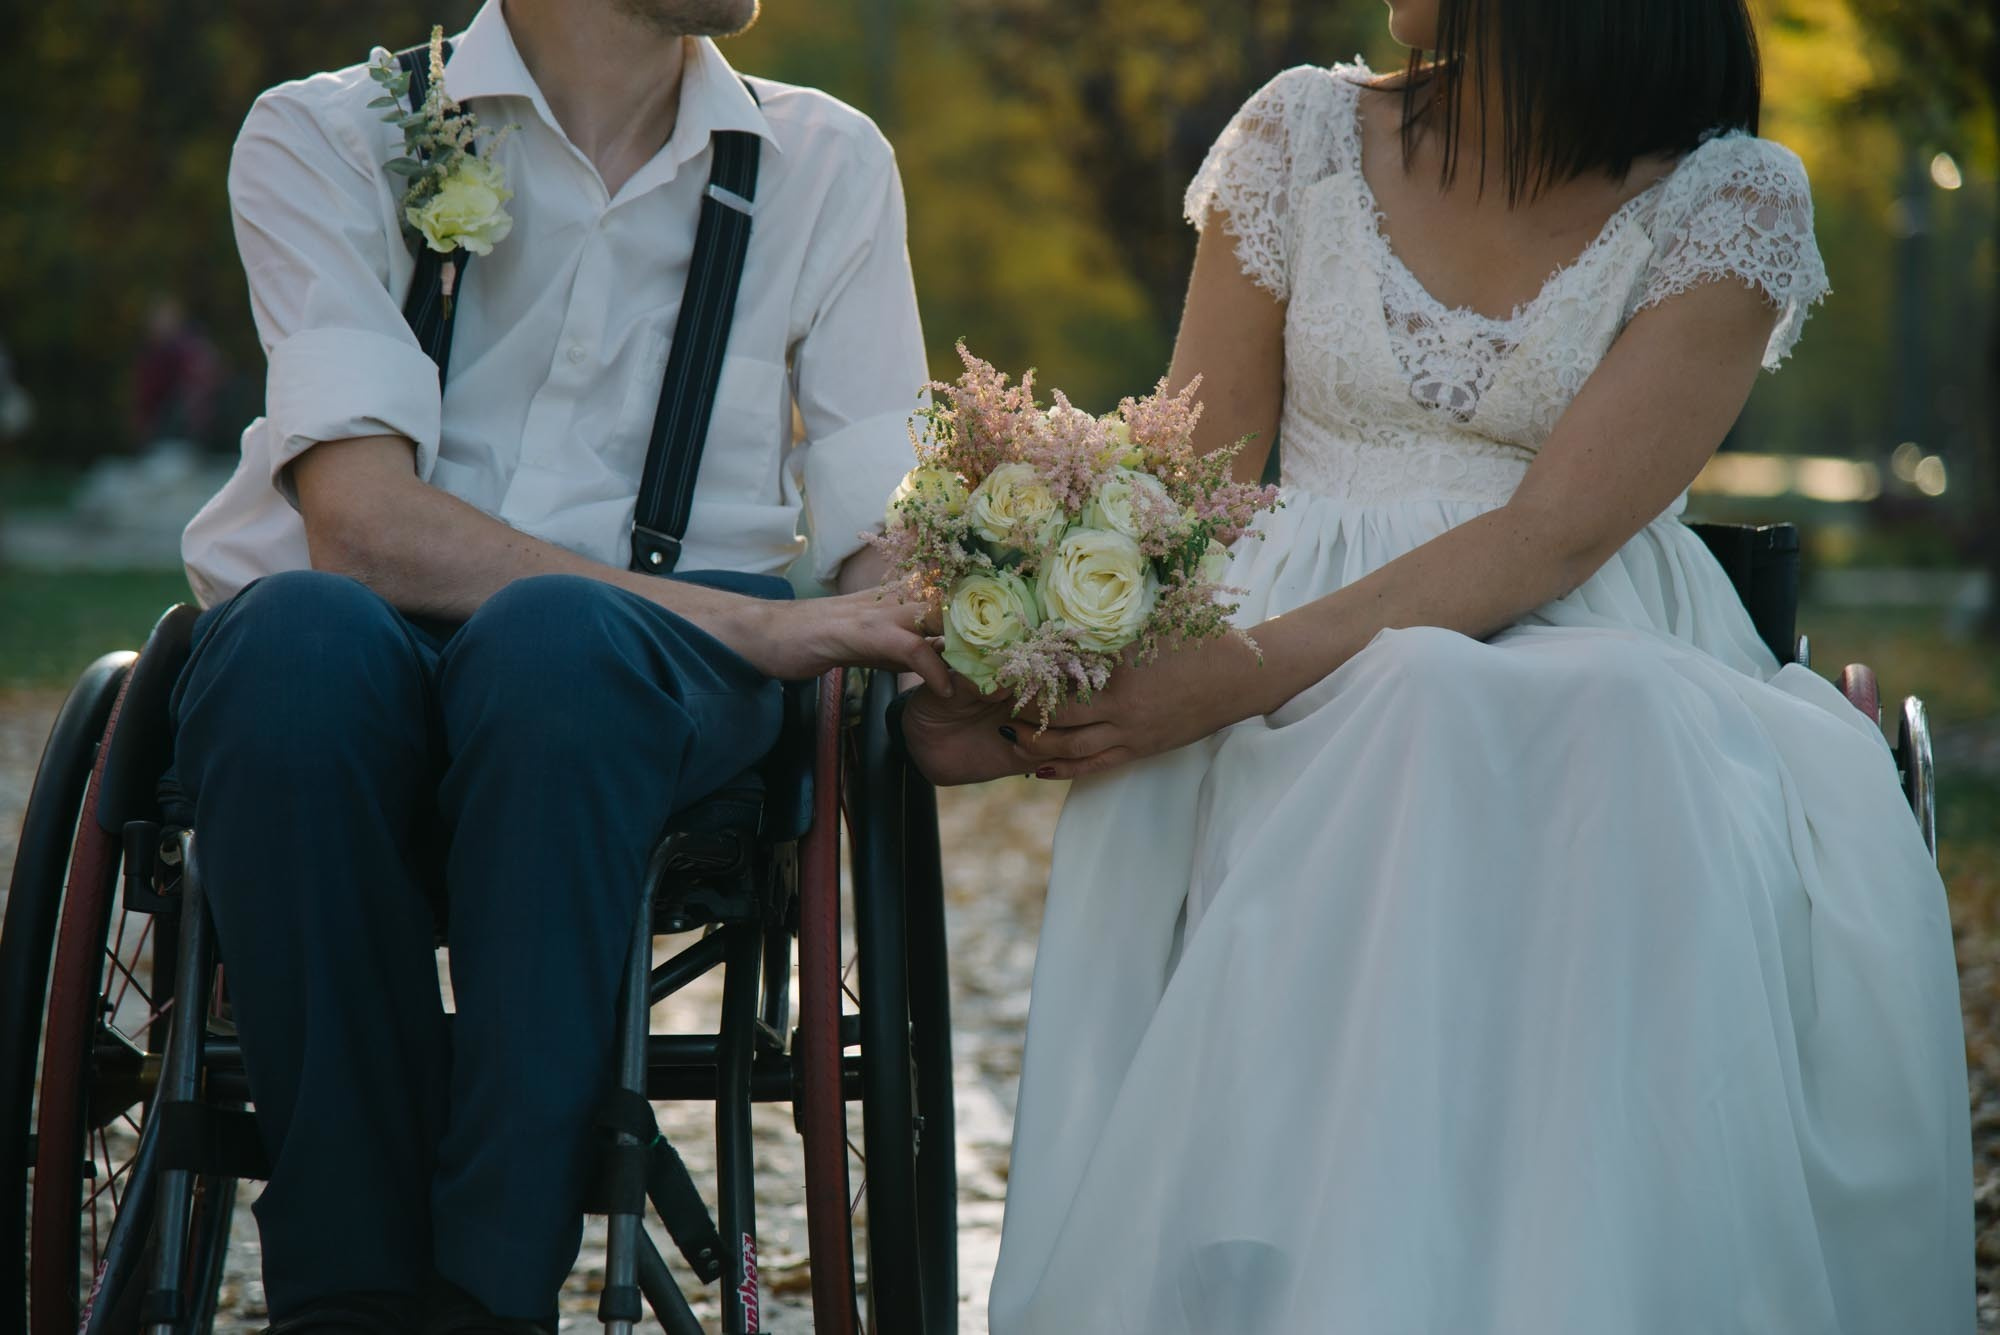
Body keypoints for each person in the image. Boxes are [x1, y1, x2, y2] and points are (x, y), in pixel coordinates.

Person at [903, 0, 1975, 1329]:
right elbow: (1192, 481)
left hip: (1582, 623)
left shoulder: (1732, 200)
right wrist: (1032, 637)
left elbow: (1552, 534)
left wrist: (1236, 673)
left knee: (1513, 704)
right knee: (1410, 703)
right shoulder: (1298, 133)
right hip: (1281, 626)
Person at [171, 1, 942, 1330]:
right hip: (358, 654)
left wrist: (984, 625)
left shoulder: (827, 163)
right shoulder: (329, 133)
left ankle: (488, 1292)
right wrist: (763, 630)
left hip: (658, 679)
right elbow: (359, 525)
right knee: (290, 642)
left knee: (556, 649)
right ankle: (347, 1290)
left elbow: (885, 525)